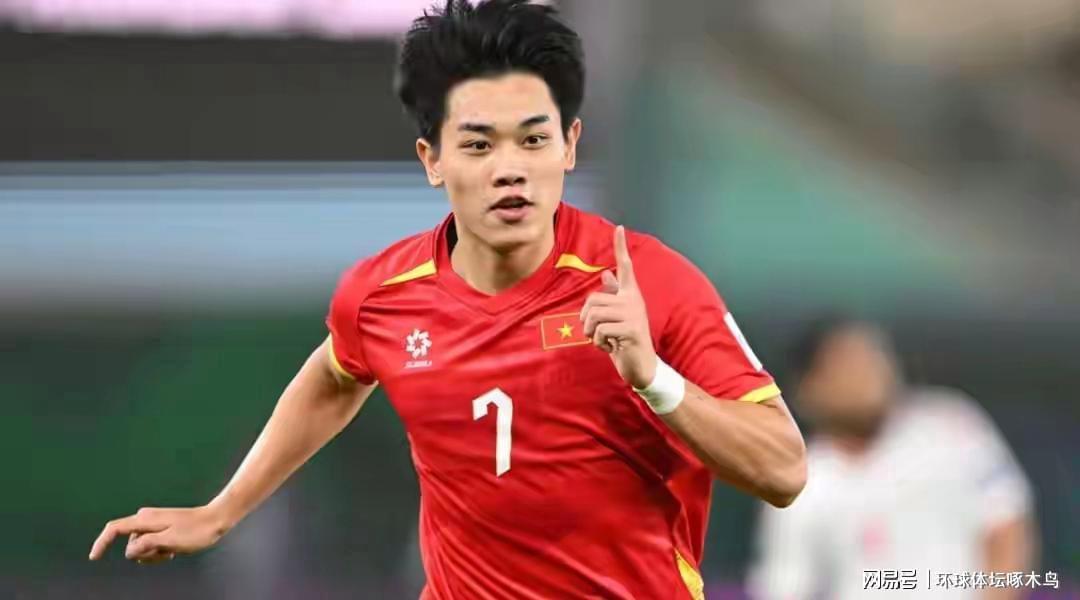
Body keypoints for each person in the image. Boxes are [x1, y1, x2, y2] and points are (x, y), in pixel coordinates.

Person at [87, 1, 807, 598]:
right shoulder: (384, 296)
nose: (510, 170)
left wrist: (654, 379)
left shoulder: (648, 283)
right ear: (432, 160)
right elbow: (335, 375)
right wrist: (222, 512)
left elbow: (783, 471)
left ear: (569, 146)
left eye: (533, 141)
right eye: (479, 145)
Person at [749, 317, 1036, 600]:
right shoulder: (800, 483)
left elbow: (1007, 529)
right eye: (848, 365)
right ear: (810, 389)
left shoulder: (951, 426)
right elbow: (786, 587)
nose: (868, 373)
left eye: (872, 357)